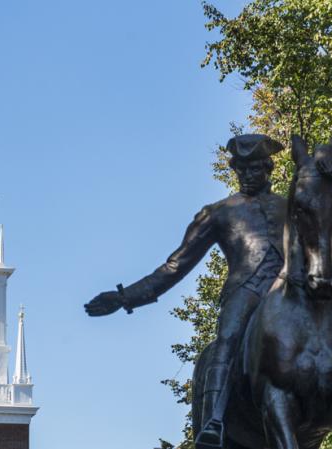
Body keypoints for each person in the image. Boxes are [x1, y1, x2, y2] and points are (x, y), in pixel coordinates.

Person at [84, 134, 287, 449]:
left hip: (291, 287)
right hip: (247, 290)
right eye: (241, 169)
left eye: (254, 169)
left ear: (267, 168)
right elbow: (174, 267)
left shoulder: (293, 207)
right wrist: (124, 297)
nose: (247, 175)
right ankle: (214, 422)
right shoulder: (219, 212)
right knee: (228, 341)